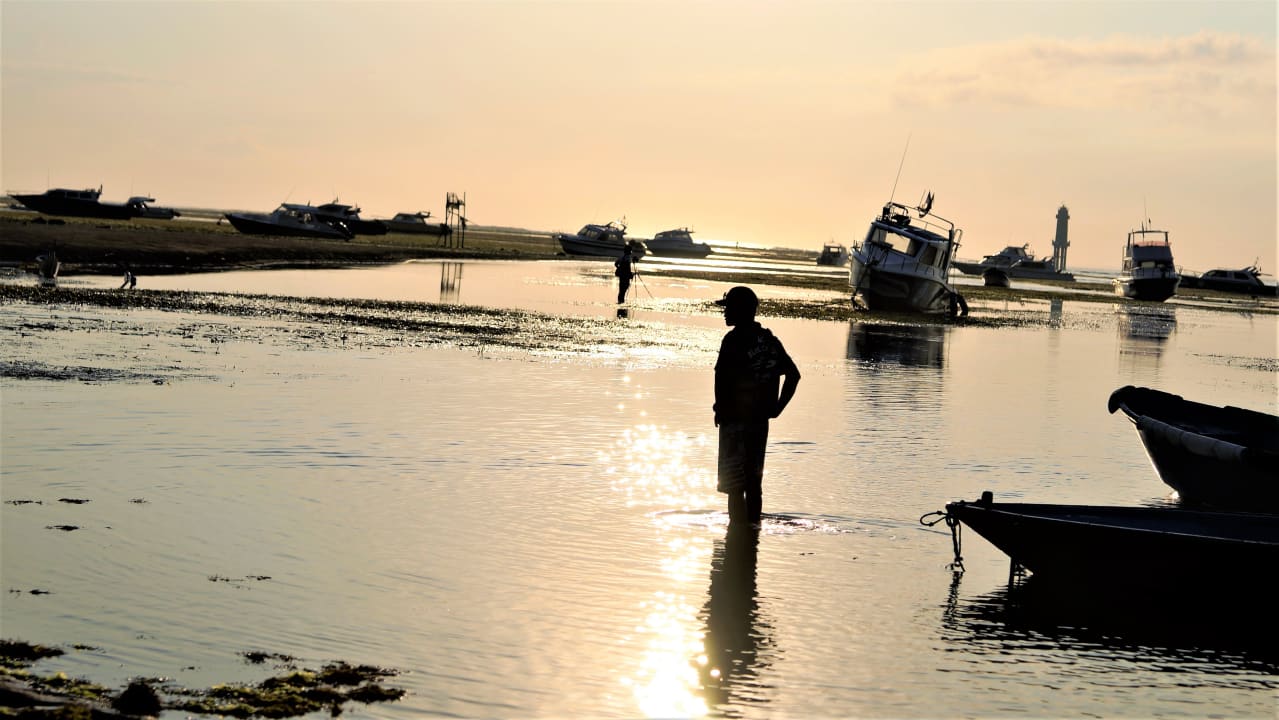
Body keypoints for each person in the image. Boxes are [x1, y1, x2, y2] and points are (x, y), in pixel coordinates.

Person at [713, 286, 800, 526]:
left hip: (734, 422)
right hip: (759, 422)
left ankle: (738, 537)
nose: (725, 313)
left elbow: (721, 379)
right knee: (753, 484)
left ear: (741, 310)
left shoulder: (732, 340)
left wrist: (720, 408)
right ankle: (752, 535)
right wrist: (777, 409)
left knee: (733, 486)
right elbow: (793, 375)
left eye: (728, 308)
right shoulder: (769, 341)